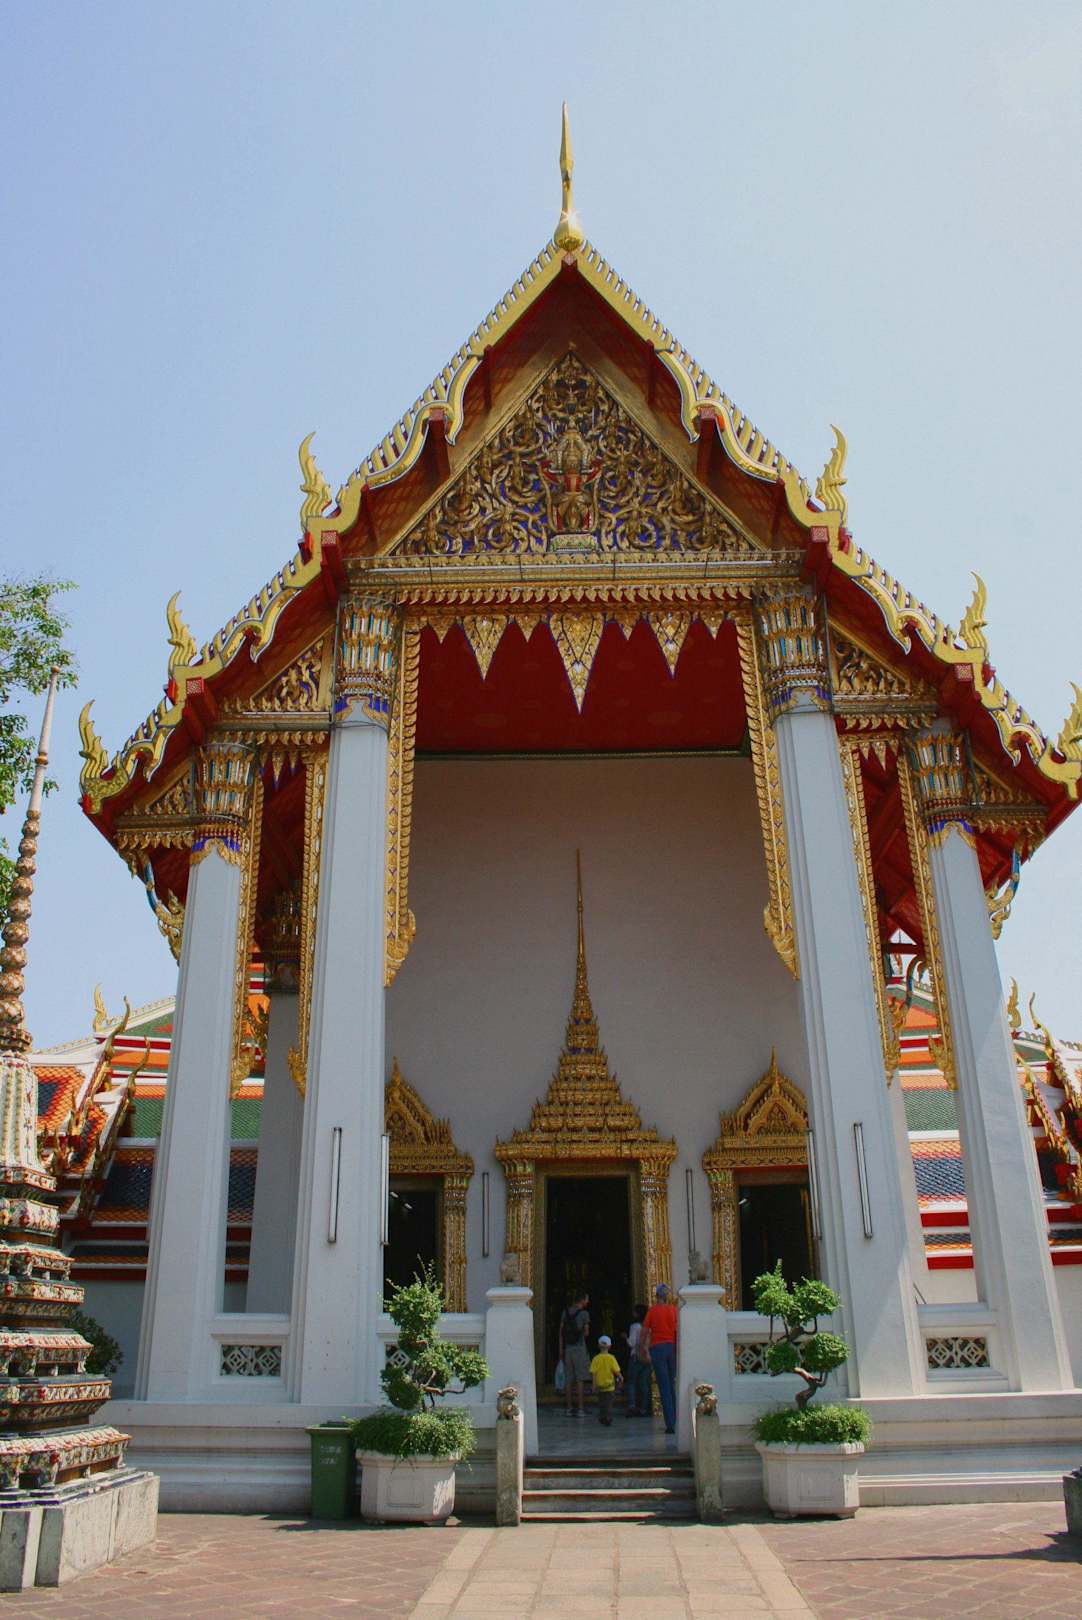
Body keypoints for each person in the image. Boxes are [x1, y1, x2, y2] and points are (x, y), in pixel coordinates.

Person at [641, 1282, 678, 1434]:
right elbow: (677, 1331)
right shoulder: (674, 1310)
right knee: (671, 1384)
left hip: (657, 1348)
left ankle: (670, 1424)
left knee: (664, 1386)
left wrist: (642, 1349)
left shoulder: (652, 1311)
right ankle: (675, 1420)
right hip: (671, 1348)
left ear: (657, 1296)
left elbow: (644, 1331)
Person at [559, 1290, 590, 1418]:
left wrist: (560, 1350)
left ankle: (569, 1408)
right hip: (579, 1348)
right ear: (582, 1300)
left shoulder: (565, 1312)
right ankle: (581, 1408)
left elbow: (561, 1332)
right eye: (587, 1299)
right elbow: (586, 1333)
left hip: (568, 1348)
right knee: (580, 1379)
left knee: (568, 1379)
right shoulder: (584, 1314)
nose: (588, 1301)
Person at [623, 1303, 651, 1417]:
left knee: (632, 1382)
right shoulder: (649, 1326)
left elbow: (632, 1343)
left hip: (636, 1356)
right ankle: (644, 1408)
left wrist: (625, 1337)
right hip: (647, 1357)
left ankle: (632, 1406)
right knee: (644, 1382)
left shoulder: (635, 1326)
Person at [589, 1335, 623, 1426]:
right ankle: (607, 1418)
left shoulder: (595, 1359)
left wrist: (593, 1385)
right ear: (610, 1346)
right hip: (610, 1386)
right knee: (609, 1403)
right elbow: (616, 1371)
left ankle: (602, 1416)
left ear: (598, 1346)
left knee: (601, 1402)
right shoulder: (611, 1358)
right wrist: (621, 1378)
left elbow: (594, 1374)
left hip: (600, 1386)